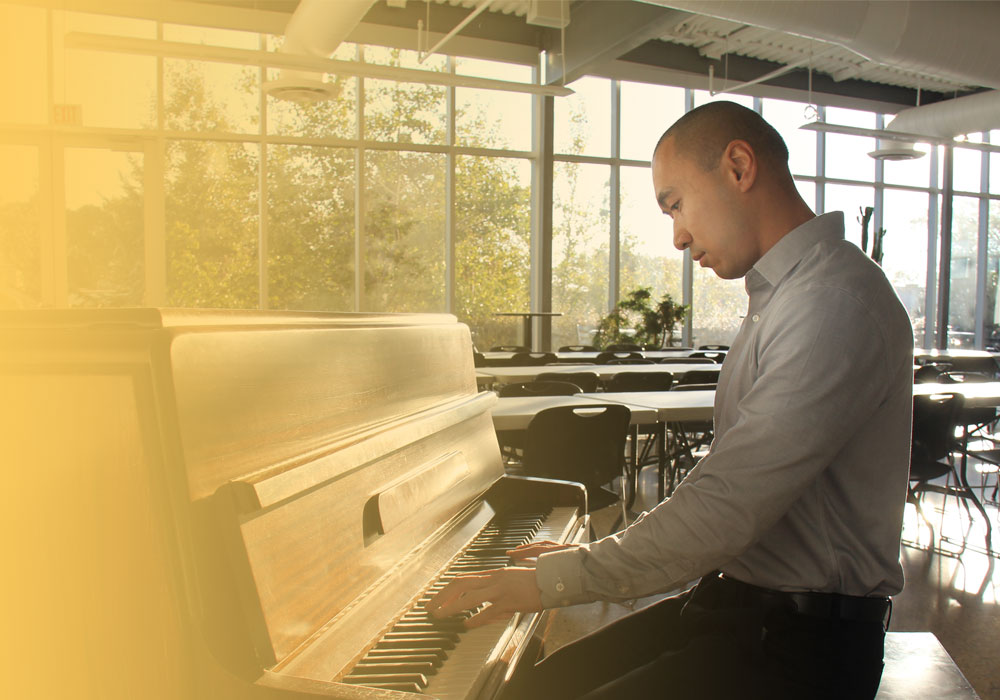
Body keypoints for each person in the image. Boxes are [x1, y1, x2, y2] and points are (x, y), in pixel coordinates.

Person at [428, 101, 914, 699]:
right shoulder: (788, 295)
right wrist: (593, 557)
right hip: (743, 610)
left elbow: (728, 502)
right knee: (534, 688)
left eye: (676, 204)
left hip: (801, 651)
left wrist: (561, 578)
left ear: (739, 166)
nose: (679, 236)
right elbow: (725, 486)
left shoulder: (833, 301)